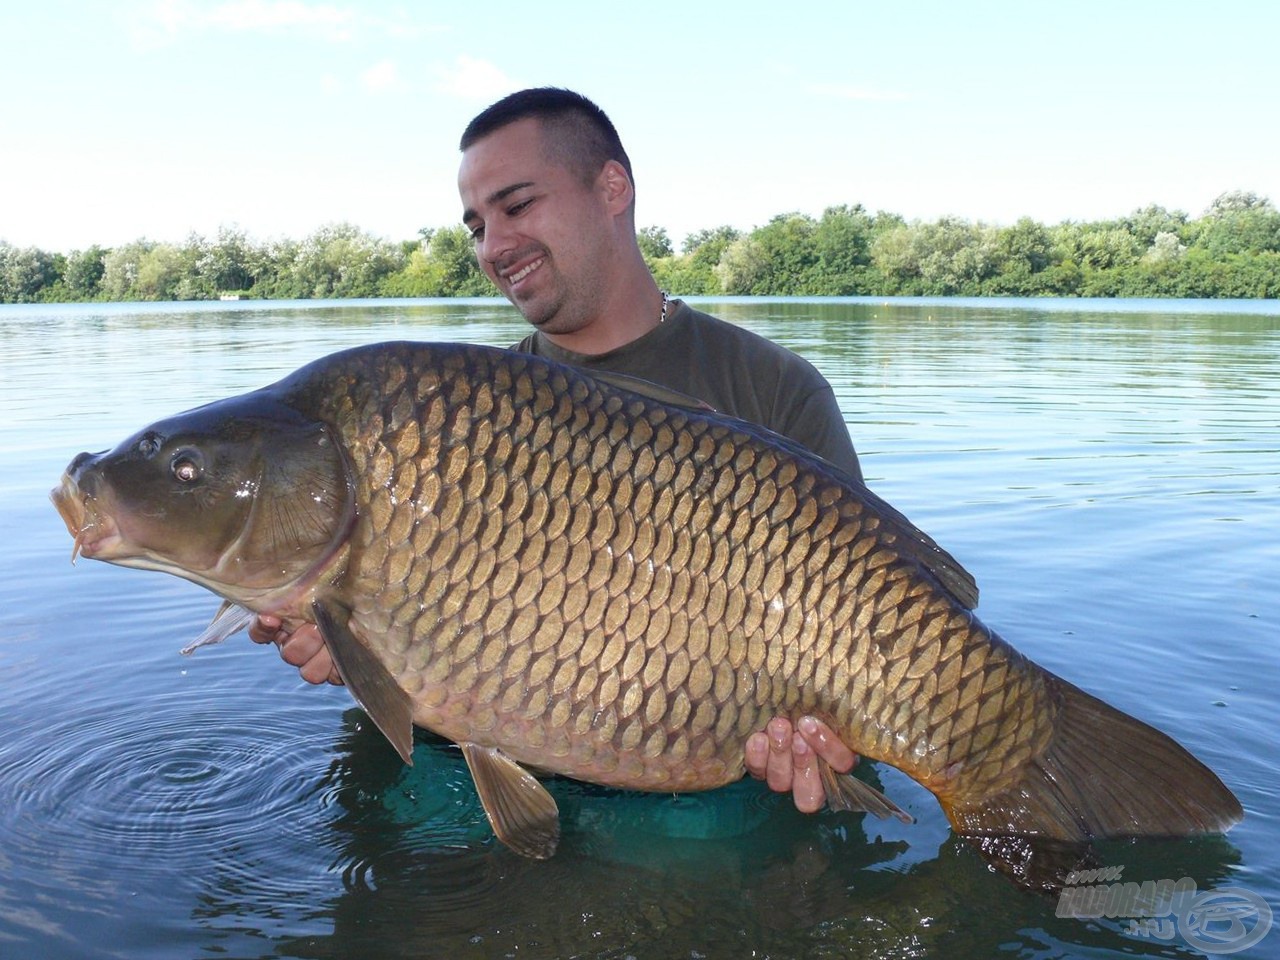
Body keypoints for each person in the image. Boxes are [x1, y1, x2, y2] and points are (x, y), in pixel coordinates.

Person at [252, 87, 862, 812]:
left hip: (705, 797)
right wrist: (357, 652)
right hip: (481, 779)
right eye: (475, 225)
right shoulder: (460, 420)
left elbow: (861, 632)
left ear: (612, 188)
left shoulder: (776, 391)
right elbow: (433, 647)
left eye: (517, 206)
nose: (493, 246)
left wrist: (825, 746)